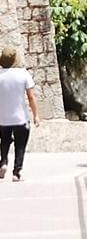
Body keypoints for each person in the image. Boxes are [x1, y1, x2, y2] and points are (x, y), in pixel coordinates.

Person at [0, 45, 39, 181]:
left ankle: (3, 162)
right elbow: (31, 97)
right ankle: (16, 172)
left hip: (2, 118)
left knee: (4, 140)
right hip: (20, 118)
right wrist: (36, 115)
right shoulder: (23, 74)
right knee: (20, 144)